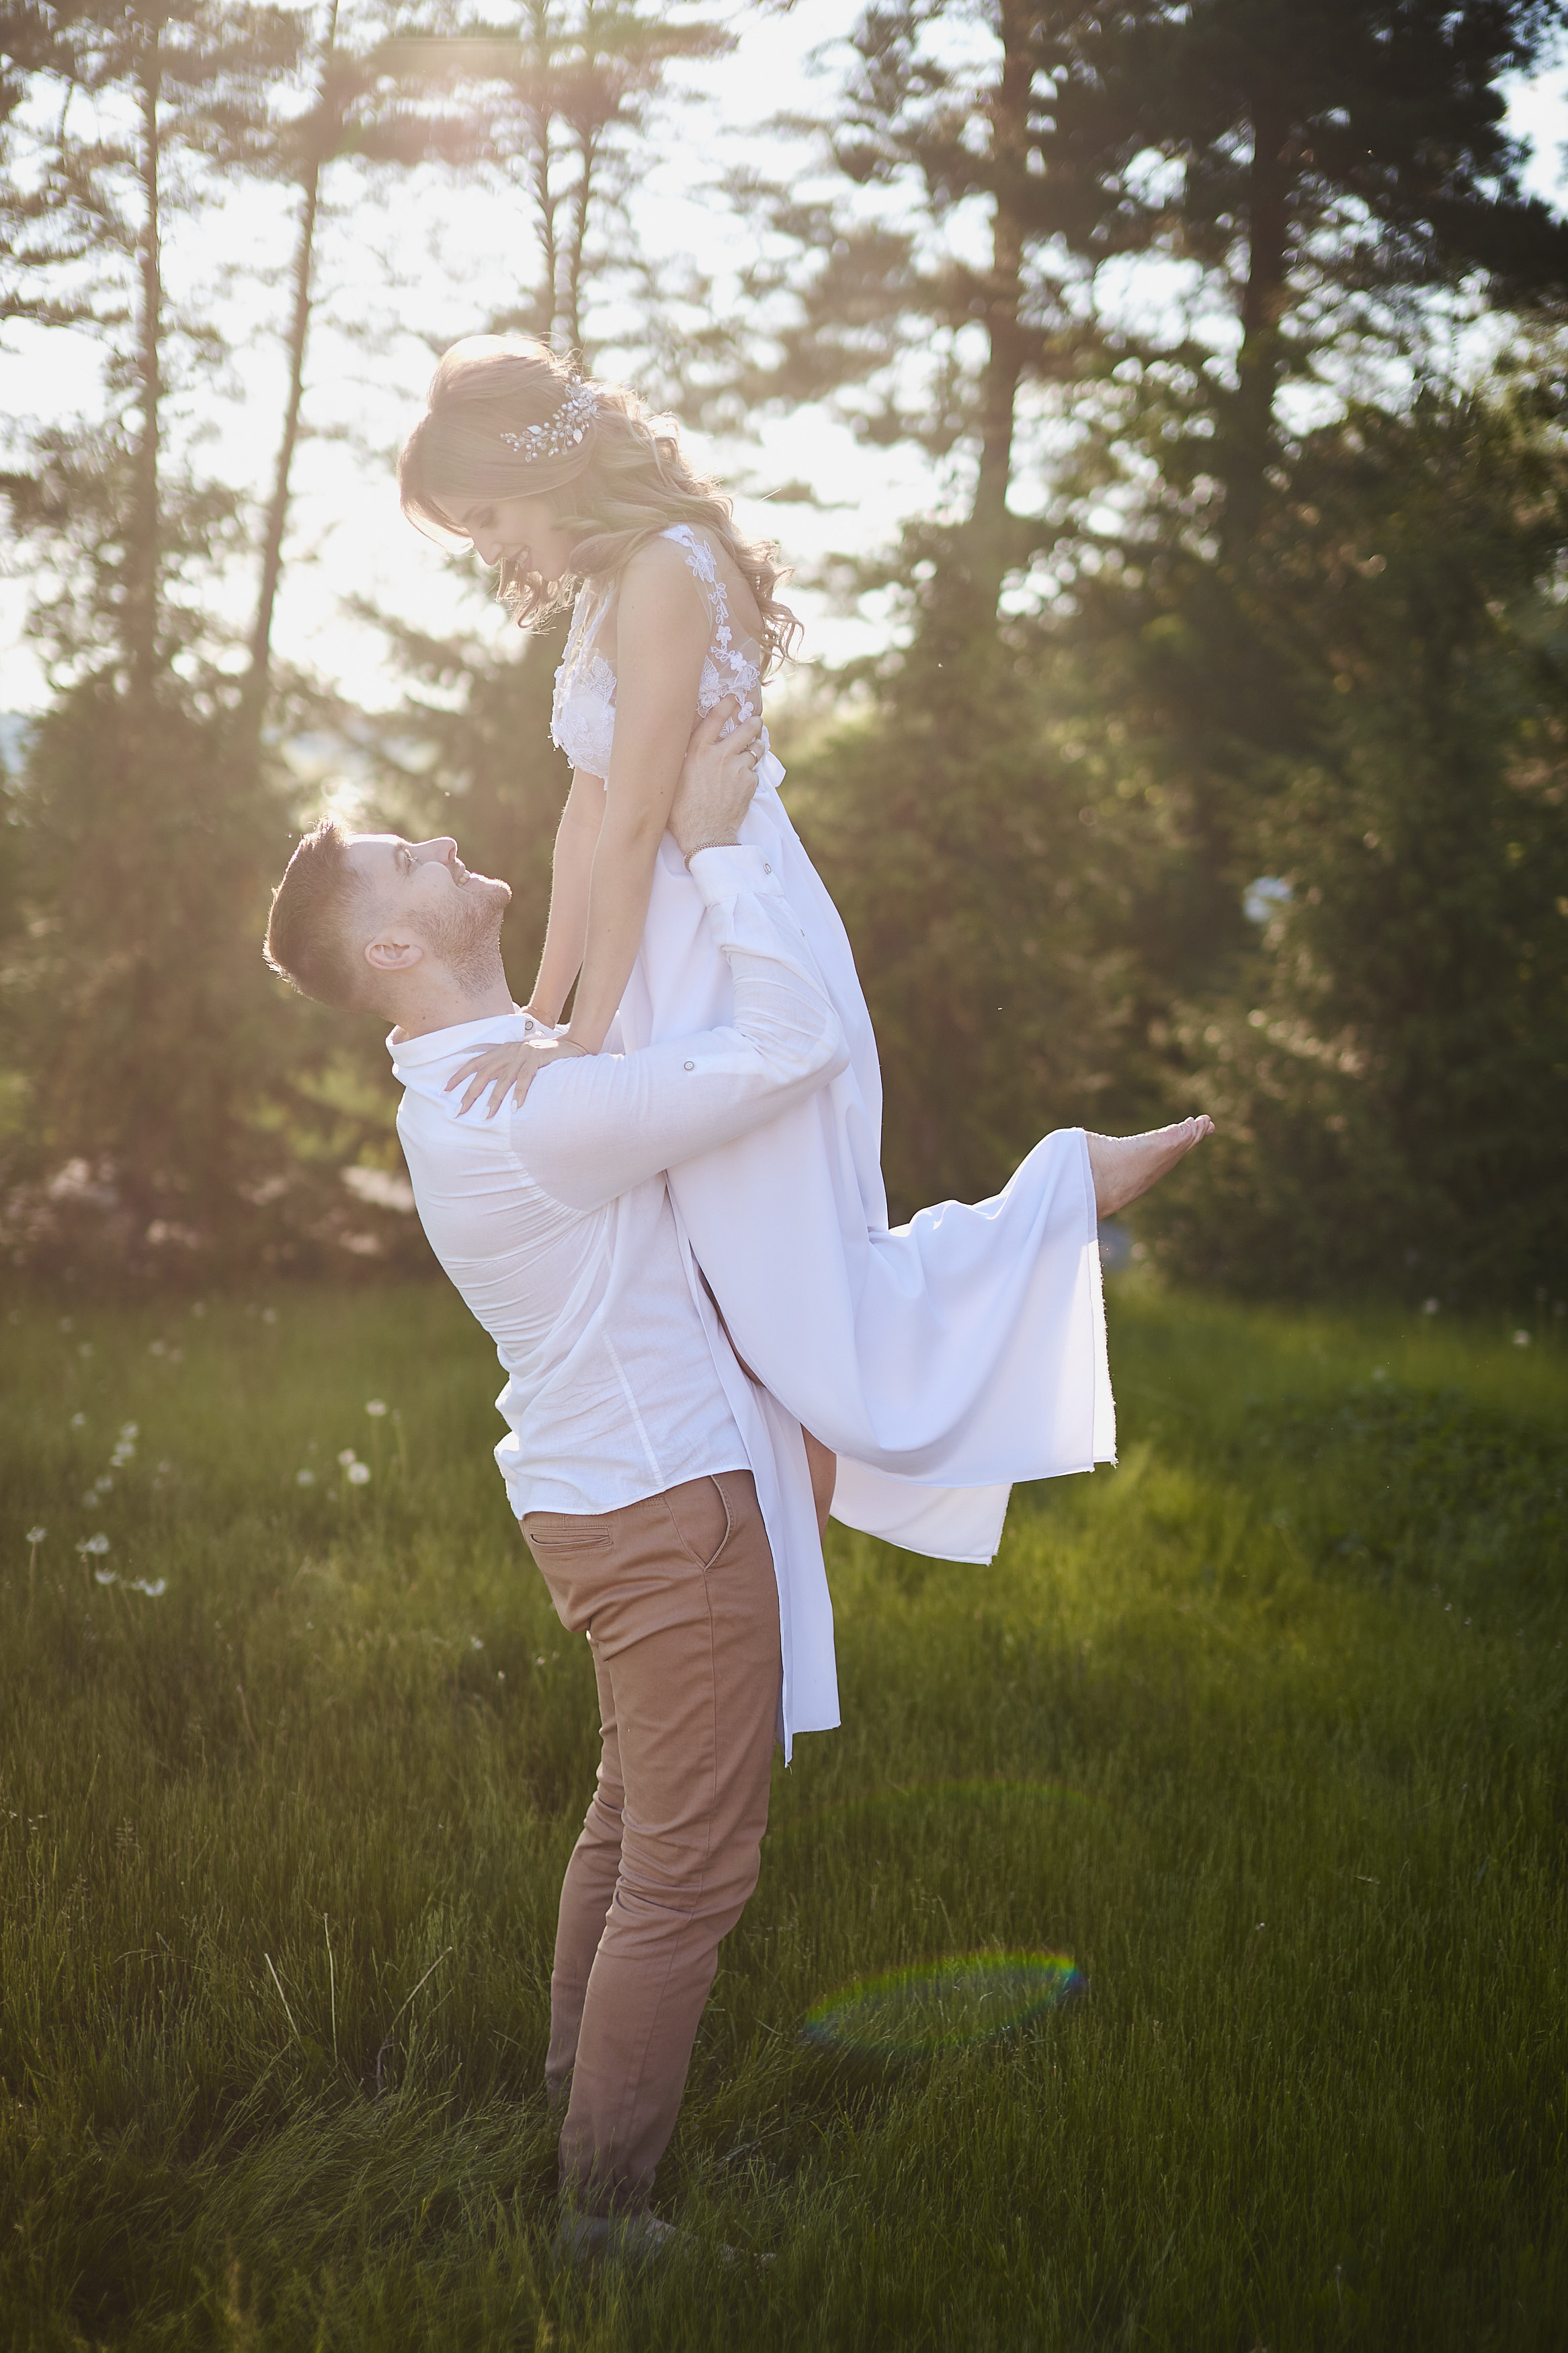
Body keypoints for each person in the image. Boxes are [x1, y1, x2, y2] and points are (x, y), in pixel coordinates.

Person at [397, 338, 1211, 1569]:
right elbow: (579, 825)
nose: (491, 550)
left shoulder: (669, 568)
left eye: (488, 517)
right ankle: (747, 1601)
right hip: (650, 945)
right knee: (736, 1307)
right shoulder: (609, 587)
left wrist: (577, 1033)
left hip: (729, 938)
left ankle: (1060, 1192)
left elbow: (638, 822)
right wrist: (545, 1017)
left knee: (802, 1302)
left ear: (537, 468)